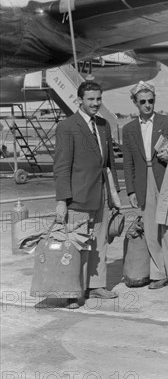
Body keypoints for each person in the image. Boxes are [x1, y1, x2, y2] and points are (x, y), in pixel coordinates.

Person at [121, 81, 168, 294]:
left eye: (150, 101)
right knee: (151, 231)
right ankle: (159, 273)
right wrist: (131, 190)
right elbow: (127, 162)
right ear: (135, 103)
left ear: (155, 101)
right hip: (144, 181)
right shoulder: (128, 130)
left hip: (166, 177)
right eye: (142, 102)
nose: (147, 105)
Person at [54, 81, 120, 309]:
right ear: (80, 100)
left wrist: (114, 194)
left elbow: (109, 162)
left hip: (101, 192)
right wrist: (62, 200)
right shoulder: (67, 127)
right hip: (78, 196)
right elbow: (61, 166)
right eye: (90, 99)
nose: (95, 103)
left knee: (100, 242)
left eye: (98, 99)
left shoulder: (103, 124)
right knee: (76, 245)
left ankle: (96, 285)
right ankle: (73, 291)